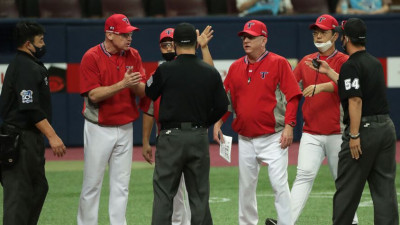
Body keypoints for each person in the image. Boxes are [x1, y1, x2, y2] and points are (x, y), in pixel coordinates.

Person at [134, 22, 229, 225]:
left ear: (175, 45)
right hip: (198, 136)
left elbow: (149, 93)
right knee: (199, 196)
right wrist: (205, 122)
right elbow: (222, 105)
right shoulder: (210, 71)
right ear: (196, 43)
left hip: (170, 139)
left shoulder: (164, 70)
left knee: (163, 195)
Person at [213, 20, 302, 225]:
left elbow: (293, 96)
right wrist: (219, 122)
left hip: (273, 137)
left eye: (251, 36)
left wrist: (289, 126)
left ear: (264, 39)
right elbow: (227, 100)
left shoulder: (279, 63)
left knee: (279, 185)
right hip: (245, 138)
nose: (246, 40)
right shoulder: (235, 67)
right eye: (244, 36)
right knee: (246, 187)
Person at [315, 17, 398, 225]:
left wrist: (354, 135)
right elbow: (354, 85)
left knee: (347, 189)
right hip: (386, 130)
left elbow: (355, 99)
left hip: (364, 131)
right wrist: (329, 72)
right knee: (384, 190)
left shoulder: (351, 65)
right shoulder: (374, 62)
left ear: (345, 39)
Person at [289, 14, 359, 225]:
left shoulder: (345, 61)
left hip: (338, 132)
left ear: (336, 35)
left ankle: (352, 221)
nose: (318, 36)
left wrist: (323, 86)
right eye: (316, 32)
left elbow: (348, 87)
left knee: (342, 181)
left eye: (323, 32)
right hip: (311, 132)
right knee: (303, 176)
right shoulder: (306, 61)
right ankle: (286, 221)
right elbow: (291, 88)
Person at [77, 14, 145, 225]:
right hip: (99, 127)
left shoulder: (133, 55)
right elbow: (93, 95)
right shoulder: (92, 56)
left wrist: (132, 84)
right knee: (92, 184)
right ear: (109, 34)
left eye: (130, 33)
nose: (129, 38)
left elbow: (142, 92)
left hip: (125, 126)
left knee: (121, 184)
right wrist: (122, 84)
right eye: (124, 34)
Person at [0, 21, 66, 225]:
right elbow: (29, 107)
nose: (43, 44)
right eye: (41, 40)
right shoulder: (25, 67)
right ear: (29, 44)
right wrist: (52, 136)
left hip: (27, 139)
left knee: (37, 188)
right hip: (20, 139)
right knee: (19, 194)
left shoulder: (26, 64)